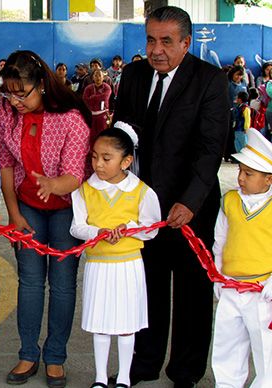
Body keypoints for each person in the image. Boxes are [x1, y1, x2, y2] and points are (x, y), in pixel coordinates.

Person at [114, 6, 229, 387]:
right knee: (146, 286)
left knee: (193, 290)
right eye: (150, 39)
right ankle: (143, 364)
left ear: (186, 42)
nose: (156, 49)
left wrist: (190, 202)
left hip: (190, 206)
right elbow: (121, 138)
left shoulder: (209, 80)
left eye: (166, 41)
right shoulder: (132, 75)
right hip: (142, 207)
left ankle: (186, 369)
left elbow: (211, 149)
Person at [0, 50, 91, 388]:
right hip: (28, 208)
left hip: (66, 210)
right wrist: (14, 214)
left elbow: (76, 174)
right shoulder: (6, 114)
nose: (15, 100)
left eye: (23, 93)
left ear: (42, 85)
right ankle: (27, 354)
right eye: (9, 92)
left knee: (63, 285)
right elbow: (5, 164)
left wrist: (54, 185)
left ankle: (55, 357)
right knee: (31, 283)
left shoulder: (70, 118)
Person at [70, 123, 160, 388]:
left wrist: (129, 229)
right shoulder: (84, 190)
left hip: (129, 265)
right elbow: (77, 226)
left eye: (106, 158)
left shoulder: (142, 191)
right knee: (100, 322)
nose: (98, 164)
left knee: (125, 323)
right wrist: (99, 231)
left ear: (126, 161)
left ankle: (123, 378)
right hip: (98, 265)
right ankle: (99, 377)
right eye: (95, 156)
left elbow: (151, 227)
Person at [211, 128, 272, 388]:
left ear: (268, 179)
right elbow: (220, 239)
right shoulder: (230, 201)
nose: (241, 178)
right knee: (227, 346)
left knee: (266, 353)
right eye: (240, 171)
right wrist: (218, 273)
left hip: (262, 292)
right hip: (231, 286)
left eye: (249, 174)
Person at [83, 69, 113, 145]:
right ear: (92, 77)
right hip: (91, 115)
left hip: (103, 115)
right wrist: (97, 98)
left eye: (100, 75)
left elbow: (105, 97)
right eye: (96, 75)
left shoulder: (107, 87)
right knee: (91, 136)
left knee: (103, 135)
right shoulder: (88, 88)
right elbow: (85, 99)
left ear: (103, 77)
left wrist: (92, 97)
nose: (98, 77)